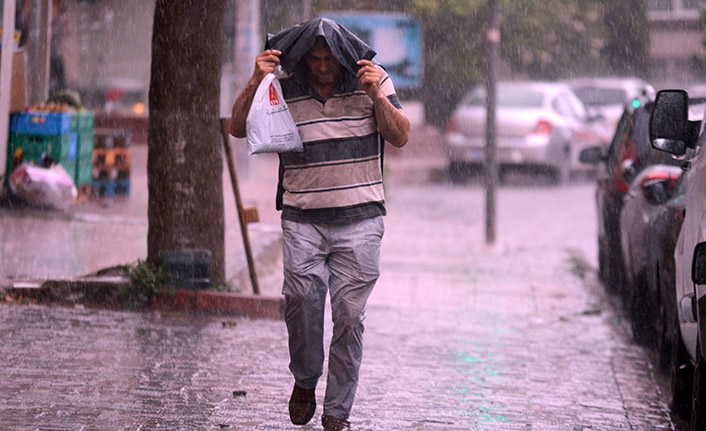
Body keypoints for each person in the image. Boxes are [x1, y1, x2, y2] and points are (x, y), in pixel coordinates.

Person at [230, 23, 409, 431]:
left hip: (360, 220)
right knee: (301, 300)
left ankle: (337, 412)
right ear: (303, 57)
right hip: (302, 218)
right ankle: (306, 379)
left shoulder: (372, 78)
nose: (324, 68)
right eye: (315, 60)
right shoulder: (284, 83)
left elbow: (399, 136)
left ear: (342, 57)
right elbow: (238, 127)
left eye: (330, 60)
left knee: (349, 316)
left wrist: (376, 95)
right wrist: (258, 78)